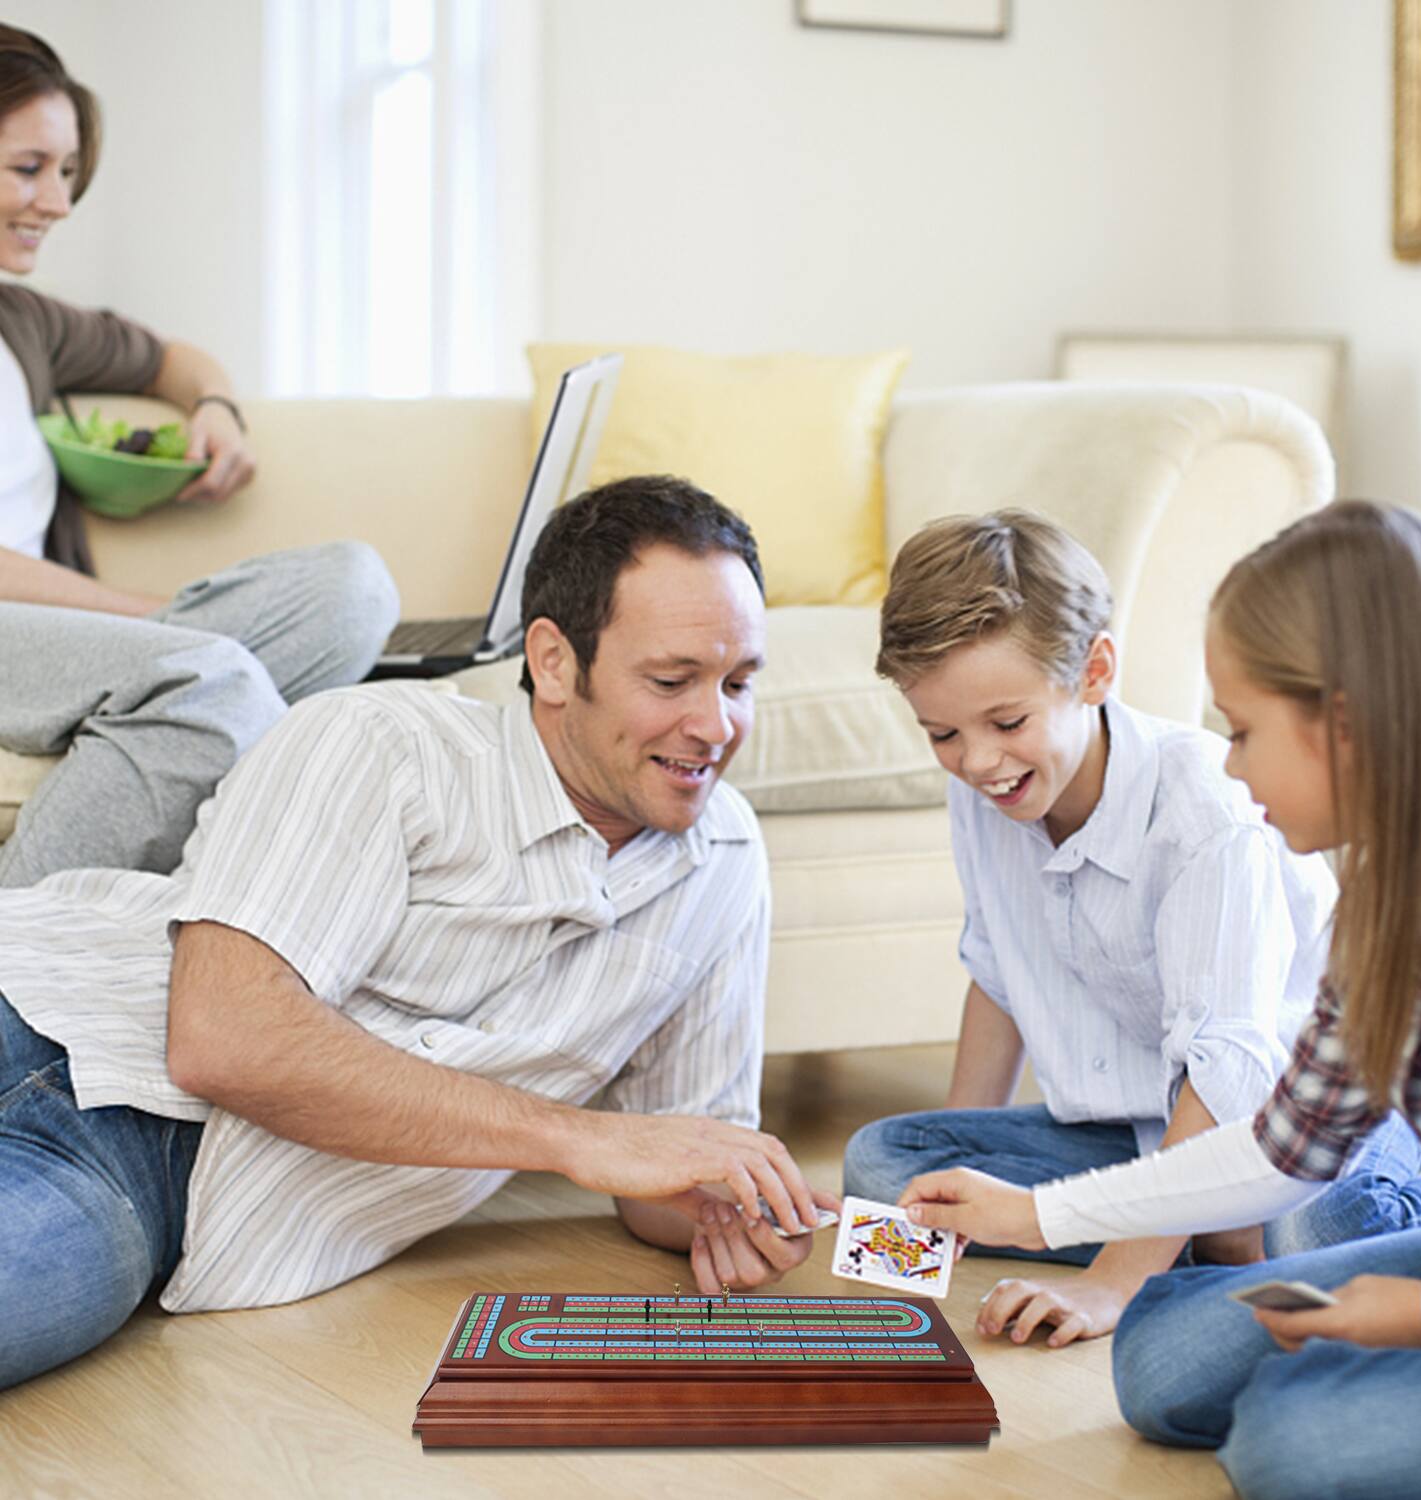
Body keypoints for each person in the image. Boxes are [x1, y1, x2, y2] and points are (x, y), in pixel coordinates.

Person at [0, 474, 838, 1392]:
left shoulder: (723, 861)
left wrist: (730, 1209)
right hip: (50, 1027)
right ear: (555, 662)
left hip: (148, 1186)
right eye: (672, 681)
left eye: (740, 682)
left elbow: (664, 1182)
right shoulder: (377, 743)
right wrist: (577, 1139)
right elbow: (224, 1037)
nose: (715, 725)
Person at [897, 501, 1421, 1499]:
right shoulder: (1388, 898)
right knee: (1164, 1367)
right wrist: (1035, 1212)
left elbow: (1249, 1103)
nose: (1230, 761)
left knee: (1289, 1444)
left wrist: (1420, 1322)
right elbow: (1280, 1146)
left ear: (1344, 726)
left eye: (1247, 728)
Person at [0, 25, 398, 886]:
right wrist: (138, 619)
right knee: (213, 675)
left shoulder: (23, 322)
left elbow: (171, 360)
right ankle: (18, 947)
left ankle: (160, 712)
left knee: (352, 589)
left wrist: (215, 407)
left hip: (48, 642)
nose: (59, 203)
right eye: (28, 169)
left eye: (67, 173)